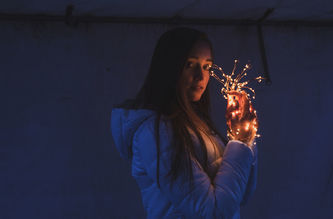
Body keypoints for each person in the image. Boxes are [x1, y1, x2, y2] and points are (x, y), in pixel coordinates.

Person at [111, 27, 259, 218]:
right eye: (190, 64)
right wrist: (240, 144)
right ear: (169, 68)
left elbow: (241, 195)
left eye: (207, 66)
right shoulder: (154, 133)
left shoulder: (201, 126)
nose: (200, 76)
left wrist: (245, 139)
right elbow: (212, 213)